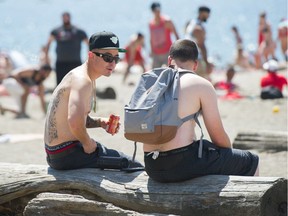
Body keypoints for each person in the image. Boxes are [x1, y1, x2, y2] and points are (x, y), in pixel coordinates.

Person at [143, 39, 259, 183]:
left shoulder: (152, 83)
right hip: (181, 164)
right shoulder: (201, 84)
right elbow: (218, 136)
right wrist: (227, 154)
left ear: (169, 60)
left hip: (151, 166)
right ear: (196, 64)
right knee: (252, 161)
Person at [44, 31, 143, 170]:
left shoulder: (78, 74)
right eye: (107, 57)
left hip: (56, 154)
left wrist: (100, 122)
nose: (113, 63)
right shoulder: (83, 81)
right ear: (91, 55)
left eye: (116, 58)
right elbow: (74, 121)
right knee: (133, 166)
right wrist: (87, 143)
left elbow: (72, 118)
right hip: (67, 154)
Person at [45, 12, 89, 86]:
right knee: (60, 85)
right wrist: (47, 58)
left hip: (75, 62)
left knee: (77, 84)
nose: (65, 19)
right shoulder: (56, 31)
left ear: (70, 18)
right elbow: (48, 44)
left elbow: (88, 44)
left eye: (67, 17)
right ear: (62, 18)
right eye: (64, 17)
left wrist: (88, 59)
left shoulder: (79, 31)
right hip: (60, 63)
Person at [185, 6, 213, 81]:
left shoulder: (190, 23)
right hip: (196, 59)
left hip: (187, 57)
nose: (209, 16)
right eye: (208, 14)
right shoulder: (198, 28)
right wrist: (207, 63)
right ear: (202, 13)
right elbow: (202, 46)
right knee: (201, 82)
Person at [149, 2, 179, 68]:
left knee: (171, 71)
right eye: (155, 10)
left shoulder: (167, 21)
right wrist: (151, 50)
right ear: (152, 11)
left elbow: (176, 35)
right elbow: (151, 38)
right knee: (154, 74)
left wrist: (178, 49)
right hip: (156, 54)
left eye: (158, 10)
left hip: (167, 52)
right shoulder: (151, 24)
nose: (157, 12)